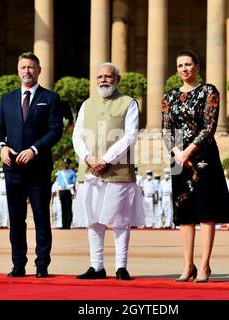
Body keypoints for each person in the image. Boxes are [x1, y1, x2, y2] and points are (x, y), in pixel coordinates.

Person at [161, 49, 229, 282]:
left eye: (188, 64)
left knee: (206, 211)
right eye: (180, 65)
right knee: (185, 214)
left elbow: (209, 126)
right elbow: (166, 129)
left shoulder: (208, 91)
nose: (184, 69)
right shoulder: (169, 97)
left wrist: (188, 151)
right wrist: (176, 153)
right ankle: (187, 265)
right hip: (178, 158)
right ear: (176, 70)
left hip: (203, 156)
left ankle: (204, 266)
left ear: (197, 67)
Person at [0, 52, 63, 278]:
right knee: (16, 218)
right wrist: (2, 146)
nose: (27, 71)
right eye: (23, 67)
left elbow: (55, 131)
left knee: (41, 216)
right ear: (18, 70)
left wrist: (34, 149)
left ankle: (42, 264)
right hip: (12, 168)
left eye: (31, 67)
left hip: (38, 168)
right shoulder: (7, 99)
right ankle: (18, 264)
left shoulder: (50, 98)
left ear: (39, 70)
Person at [72, 62, 145, 280]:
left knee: (120, 220)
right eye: (100, 77)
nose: (104, 80)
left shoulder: (128, 103)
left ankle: (121, 266)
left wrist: (105, 159)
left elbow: (130, 136)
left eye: (108, 77)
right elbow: (78, 135)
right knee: (93, 219)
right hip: (90, 170)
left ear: (117, 79)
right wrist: (88, 158)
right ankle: (97, 266)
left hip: (118, 171)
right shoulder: (87, 104)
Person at [55, 158, 77, 229]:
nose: (65, 165)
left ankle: (68, 225)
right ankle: (63, 225)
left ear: (69, 164)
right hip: (62, 190)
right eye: (64, 163)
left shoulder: (72, 172)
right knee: (63, 208)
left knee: (68, 208)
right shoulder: (60, 173)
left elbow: (74, 183)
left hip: (68, 191)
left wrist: (74, 193)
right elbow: (58, 183)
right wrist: (58, 193)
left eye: (66, 163)